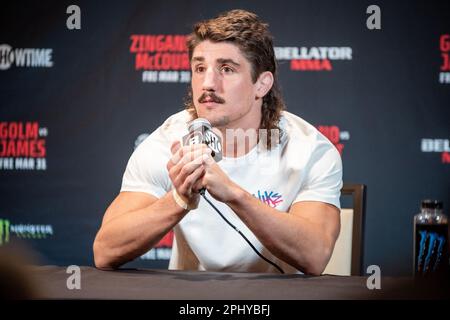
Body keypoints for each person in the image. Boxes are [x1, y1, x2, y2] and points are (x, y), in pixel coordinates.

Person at [93, 9, 342, 275]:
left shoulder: (309, 150)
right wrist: (179, 198)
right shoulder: (167, 143)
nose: (208, 83)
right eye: (200, 68)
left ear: (262, 84)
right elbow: (105, 251)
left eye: (226, 69)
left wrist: (233, 194)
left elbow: (315, 255)